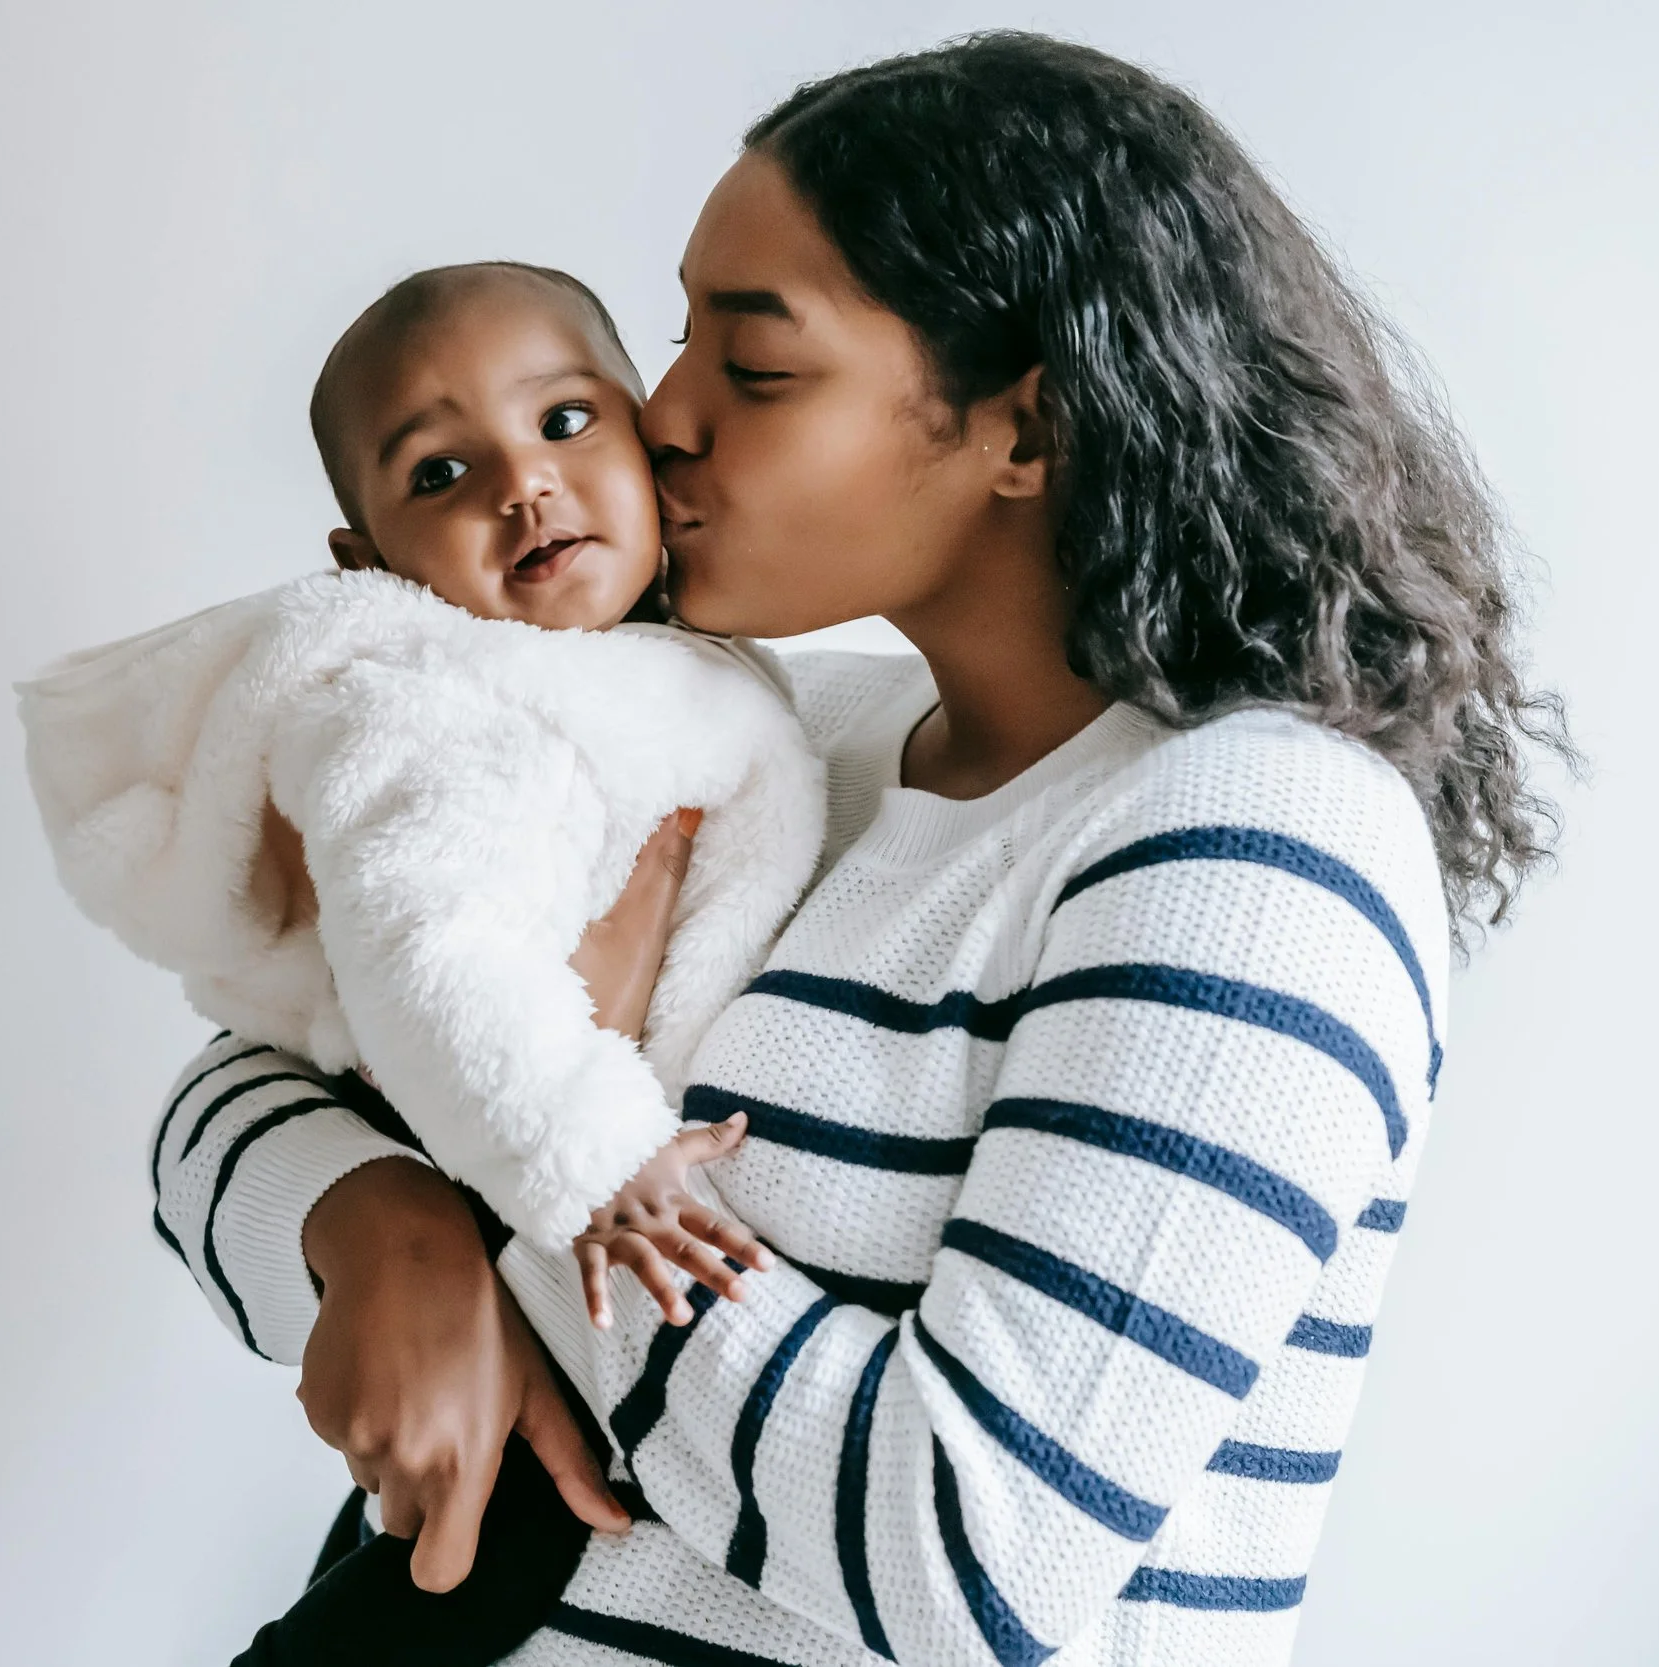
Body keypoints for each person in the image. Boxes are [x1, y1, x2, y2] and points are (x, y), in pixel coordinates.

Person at [157, 31, 1569, 1667]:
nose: (653, 414)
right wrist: (376, 1224)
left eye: (753, 368)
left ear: (1024, 434)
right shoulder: (766, 734)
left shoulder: (1253, 851)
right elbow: (246, 1074)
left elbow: (960, 1554)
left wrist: (561, 1150)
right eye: (675, 332)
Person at [24, 261, 814, 1663]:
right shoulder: (431, 708)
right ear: (369, 562)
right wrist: (592, 1154)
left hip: (540, 1217)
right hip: (495, 1135)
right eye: (443, 471)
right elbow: (422, 944)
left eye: (566, 423)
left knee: (446, 1548)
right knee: (454, 1567)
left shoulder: (703, 676)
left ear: (642, 435)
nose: (526, 485)